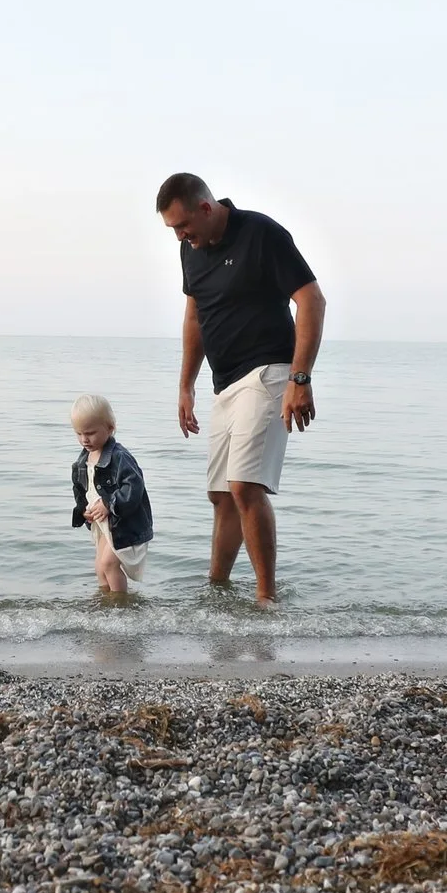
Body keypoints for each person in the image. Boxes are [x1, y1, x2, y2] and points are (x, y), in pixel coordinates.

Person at [158, 173, 324, 603]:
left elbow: (311, 300)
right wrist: (185, 386)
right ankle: (218, 591)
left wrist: (300, 378)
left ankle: (266, 600)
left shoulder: (261, 233)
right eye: (173, 229)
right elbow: (195, 317)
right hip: (224, 383)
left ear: (206, 208)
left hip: (270, 370)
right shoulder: (189, 252)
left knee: (244, 486)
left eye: (183, 226)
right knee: (220, 495)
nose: (180, 236)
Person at [67, 394, 153, 594]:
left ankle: (119, 605)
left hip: (125, 524)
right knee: (99, 566)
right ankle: (105, 602)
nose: (84, 439)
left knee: (109, 564)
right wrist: (84, 512)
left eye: (90, 433)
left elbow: (134, 487)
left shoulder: (120, 457)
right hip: (105, 524)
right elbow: (82, 491)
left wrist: (108, 503)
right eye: (78, 433)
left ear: (110, 428)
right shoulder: (82, 462)